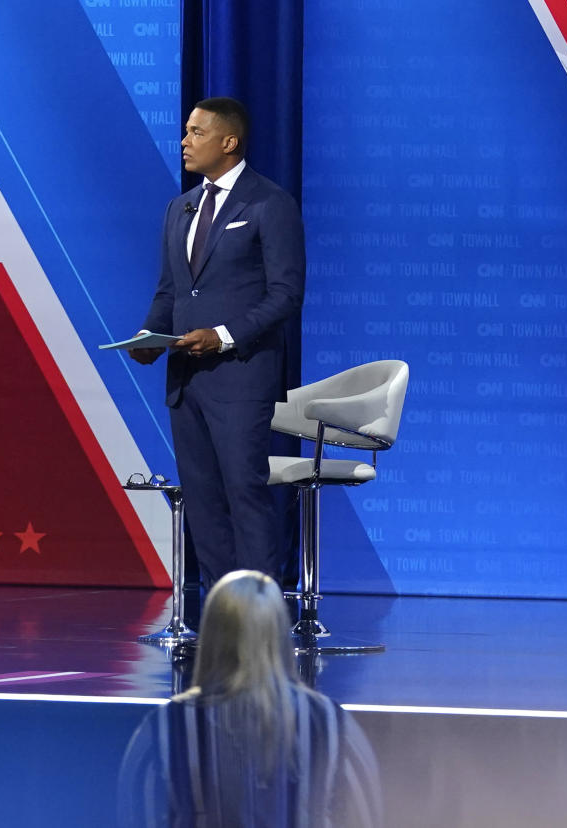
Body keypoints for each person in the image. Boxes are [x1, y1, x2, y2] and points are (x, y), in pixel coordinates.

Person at [131, 97, 304, 587]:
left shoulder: (269, 203)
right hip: (186, 380)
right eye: (186, 132)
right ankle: (220, 615)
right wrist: (149, 336)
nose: (185, 141)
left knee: (243, 492)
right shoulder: (179, 207)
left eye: (196, 133)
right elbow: (172, 289)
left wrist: (224, 336)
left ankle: (261, 616)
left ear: (229, 142)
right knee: (202, 499)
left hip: (241, 377)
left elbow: (287, 294)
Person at [116, 571, 382, 827]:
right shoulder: (331, 725)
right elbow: (367, 818)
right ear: (280, 632)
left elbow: (135, 814)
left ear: (210, 633)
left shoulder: (164, 727)